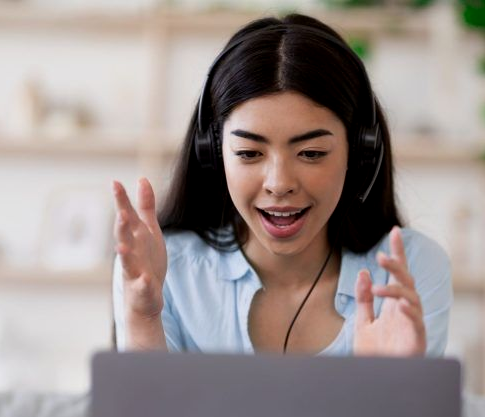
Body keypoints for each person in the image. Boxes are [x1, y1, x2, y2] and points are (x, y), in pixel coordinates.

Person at [111, 13, 452, 357]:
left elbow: (406, 411)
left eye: (311, 153)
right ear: (213, 155)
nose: (279, 184)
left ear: (360, 155)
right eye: (248, 153)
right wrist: (144, 318)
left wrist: (392, 382)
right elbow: (146, 411)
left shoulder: (407, 272)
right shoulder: (166, 269)